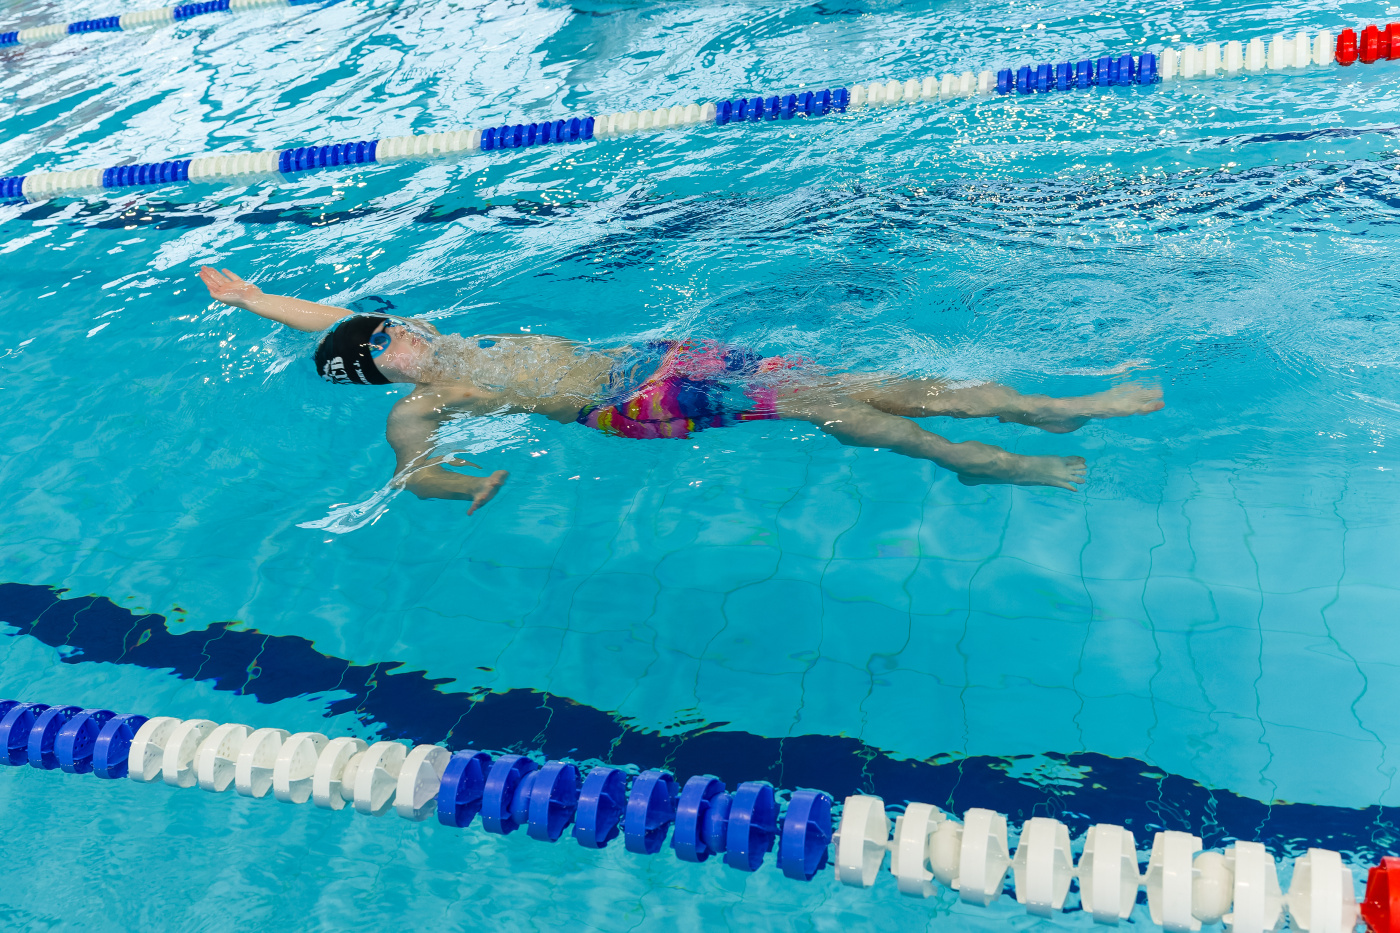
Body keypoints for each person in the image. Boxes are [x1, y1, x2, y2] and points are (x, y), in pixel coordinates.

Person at [198, 266, 1165, 515]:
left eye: (391, 324)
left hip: (662, 357)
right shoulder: (421, 399)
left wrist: (248, 299)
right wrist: (468, 485)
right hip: (636, 403)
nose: (400, 331)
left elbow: (322, 316)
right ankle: (1005, 448)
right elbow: (413, 472)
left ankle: (1028, 423)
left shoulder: (433, 339)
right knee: (839, 404)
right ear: (378, 370)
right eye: (386, 341)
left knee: (871, 386)